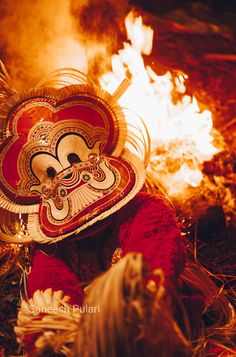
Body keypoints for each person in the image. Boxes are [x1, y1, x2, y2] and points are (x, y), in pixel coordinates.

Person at [0, 65, 235, 356]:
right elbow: (49, 293)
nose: (70, 176)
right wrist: (60, 328)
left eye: (74, 158)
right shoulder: (52, 247)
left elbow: (154, 264)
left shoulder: (144, 210)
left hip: (161, 331)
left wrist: (127, 308)